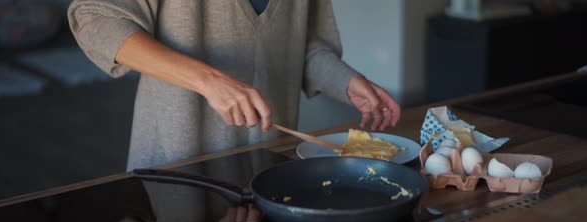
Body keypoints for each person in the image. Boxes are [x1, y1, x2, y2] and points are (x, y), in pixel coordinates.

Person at [68, 0, 401, 170]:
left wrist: (346, 81)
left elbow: (301, 44)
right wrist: (208, 80)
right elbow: (96, 20)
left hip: (269, 165)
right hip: (174, 166)